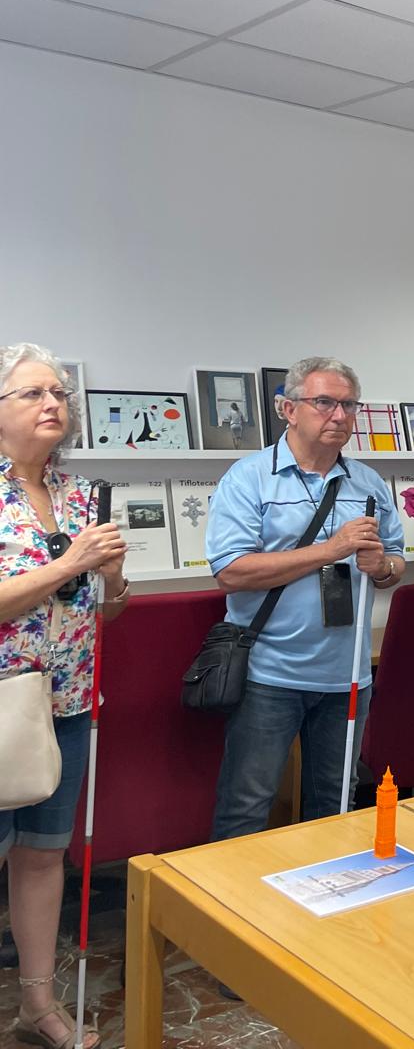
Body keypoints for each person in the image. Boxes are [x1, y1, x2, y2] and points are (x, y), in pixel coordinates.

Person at [207, 356, 405, 840]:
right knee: (246, 809)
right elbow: (230, 571)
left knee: (336, 809)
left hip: (348, 677)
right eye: (323, 402)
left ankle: (324, 911)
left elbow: (397, 562)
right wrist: (331, 550)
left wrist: (383, 567)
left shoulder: (368, 483)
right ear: (287, 409)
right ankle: (229, 912)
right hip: (268, 675)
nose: (338, 415)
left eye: (348, 405)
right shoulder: (249, 477)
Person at [0, 343, 128, 1049]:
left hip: (67, 705)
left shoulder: (82, 494)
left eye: (59, 392)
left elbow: (106, 611)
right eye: (32, 393)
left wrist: (108, 579)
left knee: (45, 858)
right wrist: (71, 564)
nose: (53, 403)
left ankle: (37, 1007)